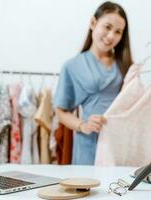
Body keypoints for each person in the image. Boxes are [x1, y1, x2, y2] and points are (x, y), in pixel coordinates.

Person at [53, 1, 133, 165]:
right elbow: (60, 111)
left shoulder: (126, 65)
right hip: (89, 143)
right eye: (107, 27)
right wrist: (83, 125)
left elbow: (138, 102)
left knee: (119, 187)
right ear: (93, 23)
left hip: (119, 142)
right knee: (90, 187)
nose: (111, 36)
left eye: (118, 32)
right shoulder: (72, 66)